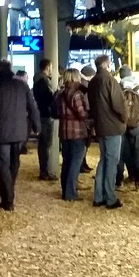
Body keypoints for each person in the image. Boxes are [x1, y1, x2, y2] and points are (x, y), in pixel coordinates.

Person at [0, 59, 40, 211]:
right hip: (19, 131)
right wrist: (36, 126)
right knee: (14, 163)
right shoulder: (22, 86)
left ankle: (8, 198)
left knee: (3, 165)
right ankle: (8, 191)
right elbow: (32, 107)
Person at [87, 54, 127, 209]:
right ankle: (110, 197)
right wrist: (124, 118)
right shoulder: (110, 81)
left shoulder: (93, 82)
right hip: (112, 126)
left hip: (100, 126)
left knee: (104, 160)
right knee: (111, 162)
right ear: (107, 65)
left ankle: (99, 196)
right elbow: (119, 105)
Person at [54, 68, 89, 201]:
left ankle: (65, 191)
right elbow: (81, 114)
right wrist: (88, 115)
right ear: (76, 78)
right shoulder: (77, 94)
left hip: (64, 131)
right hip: (77, 132)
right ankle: (70, 193)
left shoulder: (60, 93)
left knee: (67, 161)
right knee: (75, 163)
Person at [116, 65, 139, 190]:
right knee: (136, 152)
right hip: (135, 125)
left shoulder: (117, 87)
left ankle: (119, 181)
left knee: (120, 154)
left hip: (120, 124)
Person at [32, 59, 57, 181]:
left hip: (40, 114)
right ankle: (44, 171)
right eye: (51, 67)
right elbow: (48, 99)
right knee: (45, 145)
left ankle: (44, 170)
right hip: (46, 115)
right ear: (47, 67)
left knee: (42, 145)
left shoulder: (37, 80)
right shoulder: (44, 82)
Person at [79, 65, 96, 173]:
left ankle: (83, 163)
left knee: (85, 143)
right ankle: (82, 164)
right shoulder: (86, 87)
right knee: (85, 142)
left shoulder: (83, 86)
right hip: (87, 116)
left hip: (86, 116)